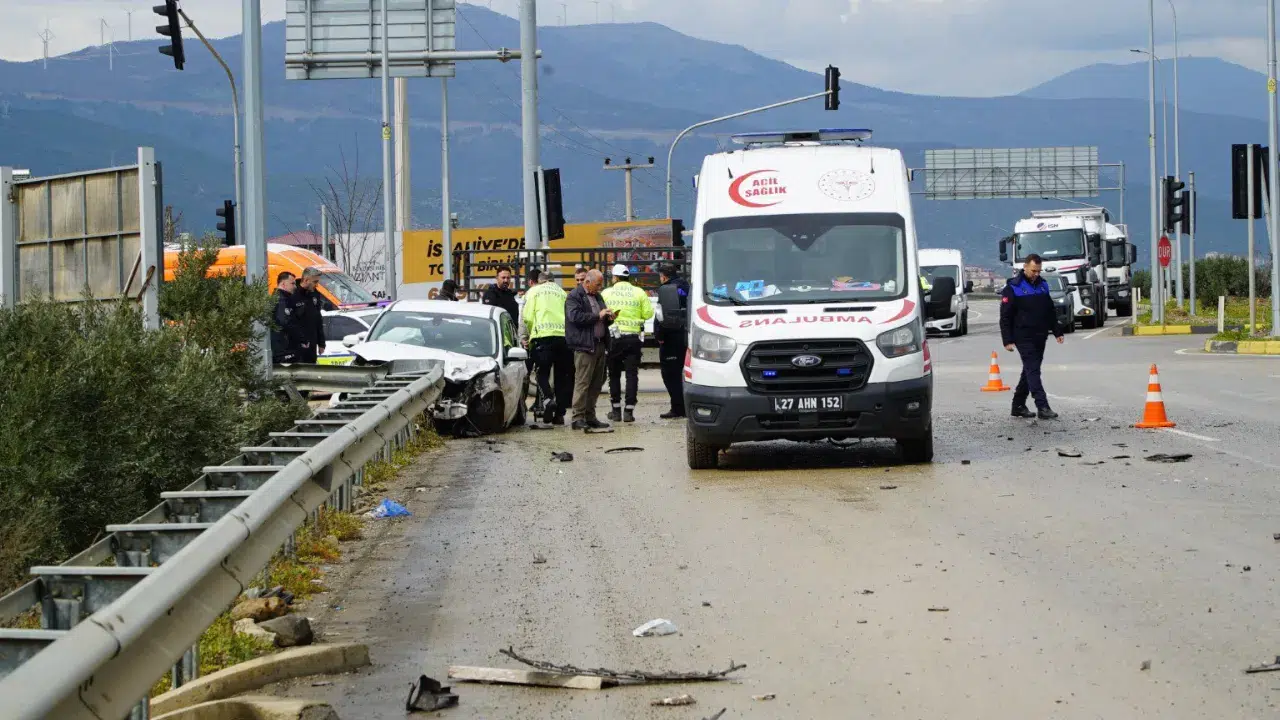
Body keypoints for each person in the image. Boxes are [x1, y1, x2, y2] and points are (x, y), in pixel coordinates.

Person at [1000, 253, 1064, 420]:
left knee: (1029, 370)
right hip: (1023, 336)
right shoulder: (1013, 287)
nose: (1036, 274)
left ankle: (1018, 406)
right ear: (1026, 267)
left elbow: (1050, 310)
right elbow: (1005, 316)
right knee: (1033, 370)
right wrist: (1007, 340)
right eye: (1034, 270)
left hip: (1040, 335)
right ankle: (1042, 406)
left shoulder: (1043, 286)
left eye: (1038, 271)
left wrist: (1057, 331)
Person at [601, 263, 654, 423]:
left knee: (614, 374)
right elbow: (648, 313)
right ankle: (629, 411)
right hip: (633, 338)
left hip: (614, 338)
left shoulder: (607, 292)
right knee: (632, 375)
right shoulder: (638, 292)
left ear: (615, 278)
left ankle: (615, 411)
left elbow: (601, 313)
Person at [521, 269, 573, 425]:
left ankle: (548, 400)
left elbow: (527, 317)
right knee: (561, 377)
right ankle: (560, 415)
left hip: (542, 337)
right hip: (563, 338)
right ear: (553, 281)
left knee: (541, 373)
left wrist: (529, 335)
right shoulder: (563, 293)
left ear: (540, 280)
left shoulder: (533, 291)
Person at [565, 269, 614, 430]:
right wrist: (598, 316)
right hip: (585, 346)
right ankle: (577, 418)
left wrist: (608, 318)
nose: (600, 287)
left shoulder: (597, 296)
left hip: (599, 344)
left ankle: (590, 416)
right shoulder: (574, 296)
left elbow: (600, 318)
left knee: (596, 383)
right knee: (583, 383)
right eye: (597, 284)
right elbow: (575, 317)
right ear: (587, 282)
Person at [655, 263, 690, 419]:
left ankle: (678, 408)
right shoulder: (687, 286)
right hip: (686, 334)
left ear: (664, 276)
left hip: (671, 336)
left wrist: (660, 336)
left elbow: (662, 315)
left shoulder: (667, 289)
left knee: (670, 374)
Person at [295, 267, 330, 363]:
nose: (317, 285)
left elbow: (318, 319)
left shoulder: (315, 294)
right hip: (297, 344)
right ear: (306, 280)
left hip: (312, 342)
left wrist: (321, 342)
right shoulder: (294, 294)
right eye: (315, 282)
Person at [270, 271, 303, 363]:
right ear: (283, 284)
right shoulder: (282, 300)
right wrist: (301, 338)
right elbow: (285, 321)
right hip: (284, 348)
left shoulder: (278, 297)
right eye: (292, 283)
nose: (295, 286)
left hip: (282, 347)